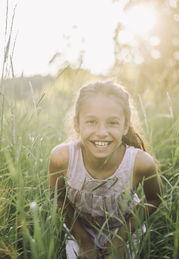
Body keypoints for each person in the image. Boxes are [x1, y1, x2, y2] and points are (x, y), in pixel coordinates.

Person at [49, 81, 162, 258]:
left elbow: (154, 199)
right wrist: (84, 241)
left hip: (124, 229)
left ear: (125, 126)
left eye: (112, 123)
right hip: (79, 228)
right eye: (91, 121)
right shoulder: (62, 158)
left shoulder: (140, 163)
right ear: (77, 125)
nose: (101, 132)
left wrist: (121, 237)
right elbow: (59, 199)